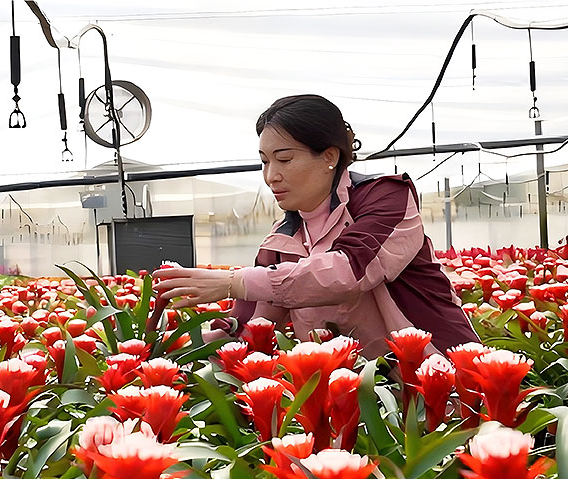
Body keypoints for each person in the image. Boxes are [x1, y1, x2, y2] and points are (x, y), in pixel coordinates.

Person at [152, 94, 479, 358]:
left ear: (329, 157)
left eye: (284, 159)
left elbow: (348, 272)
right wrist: (162, 345)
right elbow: (248, 327)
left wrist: (231, 282)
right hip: (354, 397)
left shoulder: (385, 197)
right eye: (264, 162)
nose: (271, 176)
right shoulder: (281, 241)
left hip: (440, 375)